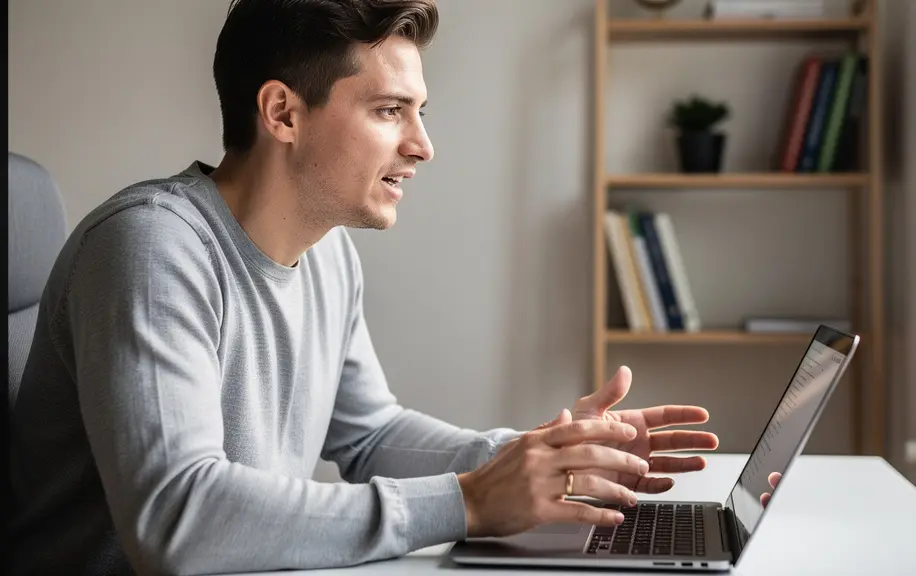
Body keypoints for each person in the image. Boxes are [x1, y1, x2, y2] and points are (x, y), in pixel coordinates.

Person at [7, 1, 725, 574]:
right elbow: (177, 517)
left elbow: (372, 434)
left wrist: (529, 457)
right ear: (283, 113)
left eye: (420, 112)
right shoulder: (151, 246)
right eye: (389, 110)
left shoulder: (328, 255)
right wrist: (470, 501)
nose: (422, 144)